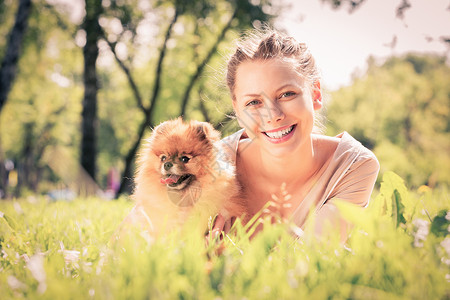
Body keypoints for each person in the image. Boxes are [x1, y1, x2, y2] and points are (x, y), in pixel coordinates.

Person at [212, 28, 380, 241]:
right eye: (253, 102)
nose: (273, 116)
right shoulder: (209, 166)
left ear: (316, 95)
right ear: (237, 110)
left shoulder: (352, 166)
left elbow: (309, 260)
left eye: (286, 94)